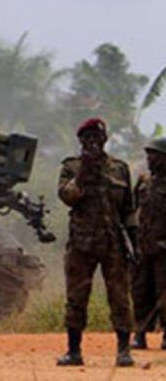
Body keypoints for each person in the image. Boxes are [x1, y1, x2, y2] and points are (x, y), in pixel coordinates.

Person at [56, 117, 136, 367]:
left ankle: (124, 351)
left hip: (113, 244)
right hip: (82, 244)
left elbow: (129, 210)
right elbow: (67, 197)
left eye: (97, 137)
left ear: (105, 139)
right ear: (80, 141)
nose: (92, 142)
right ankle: (74, 351)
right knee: (76, 297)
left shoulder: (119, 169)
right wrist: (84, 172)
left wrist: (135, 244)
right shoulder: (71, 167)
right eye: (87, 138)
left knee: (120, 298)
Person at [132, 137, 166, 349]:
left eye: (154, 155)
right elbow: (133, 210)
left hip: (164, 248)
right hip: (143, 247)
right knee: (140, 291)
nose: (150, 159)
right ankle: (140, 333)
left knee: (164, 292)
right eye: (148, 155)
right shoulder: (144, 182)